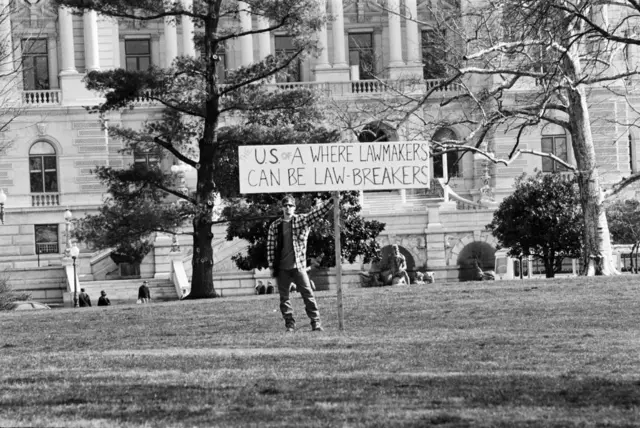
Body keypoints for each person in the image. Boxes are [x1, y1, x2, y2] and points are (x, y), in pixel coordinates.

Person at [267, 195, 333, 333]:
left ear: (294, 208)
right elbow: (270, 247)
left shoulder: (302, 220)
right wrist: (272, 266)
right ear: (282, 207)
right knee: (284, 298)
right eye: (285, 205)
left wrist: (331, 202)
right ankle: (289, 324)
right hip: (282, 268)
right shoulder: (275, 226)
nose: (288, 208)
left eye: (290, 205)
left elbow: (317, 213)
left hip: (299, 266)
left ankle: (315, 322)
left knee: (308, 294)